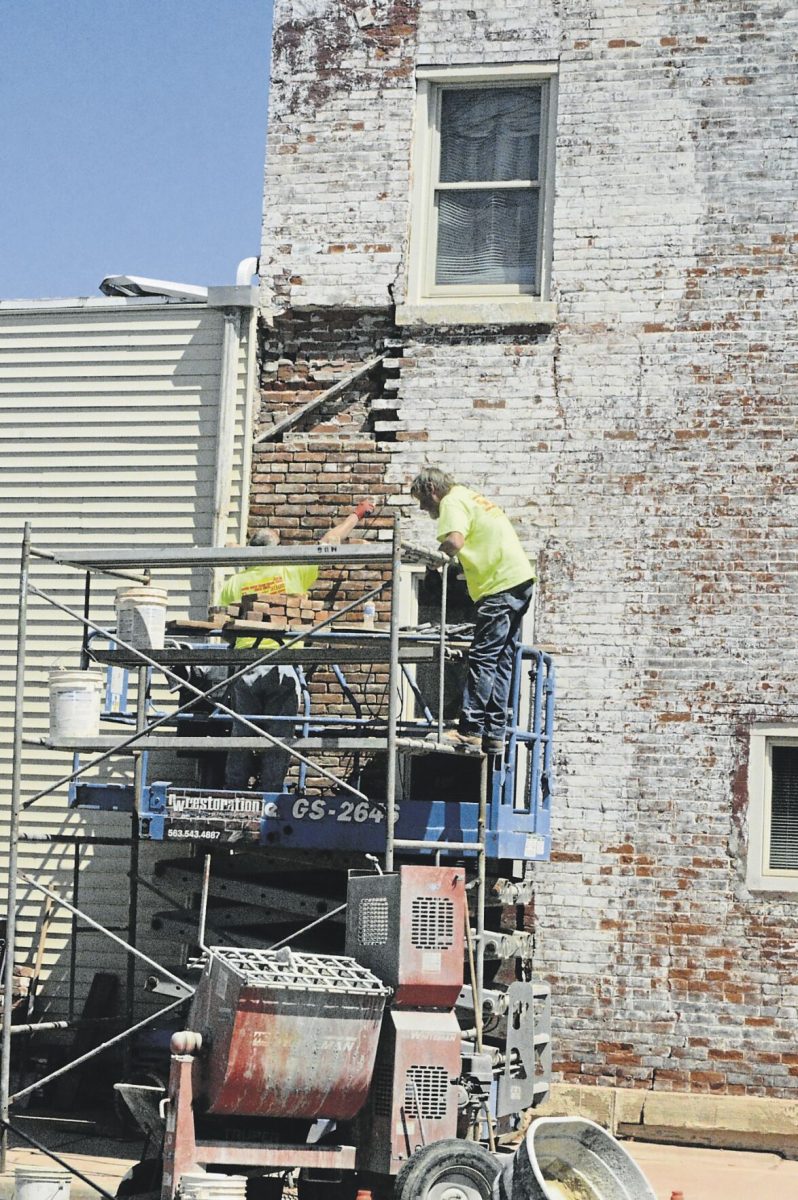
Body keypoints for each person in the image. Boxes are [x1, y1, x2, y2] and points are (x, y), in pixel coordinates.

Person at [195, 501, 373, 792]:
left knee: (242, 733)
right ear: (277, 547)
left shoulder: (234, 582)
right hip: (283, 663)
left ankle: (235, 788)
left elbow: (226, 629)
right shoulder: (291, 570)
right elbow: (329, 541)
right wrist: (358, 513)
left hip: (245, 664)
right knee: (280, 734)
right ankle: (272, 789)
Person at [410, 468, 534, 755]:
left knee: (482, 657)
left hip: (500, 586)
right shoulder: (469, 496)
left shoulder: (452, 500)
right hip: (519, 582)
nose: (423, 508)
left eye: (422, 500)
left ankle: (469, 730)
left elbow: (454, 541)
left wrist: (434, 563)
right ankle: (494, 734)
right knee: (502, 659)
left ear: (432, 489)